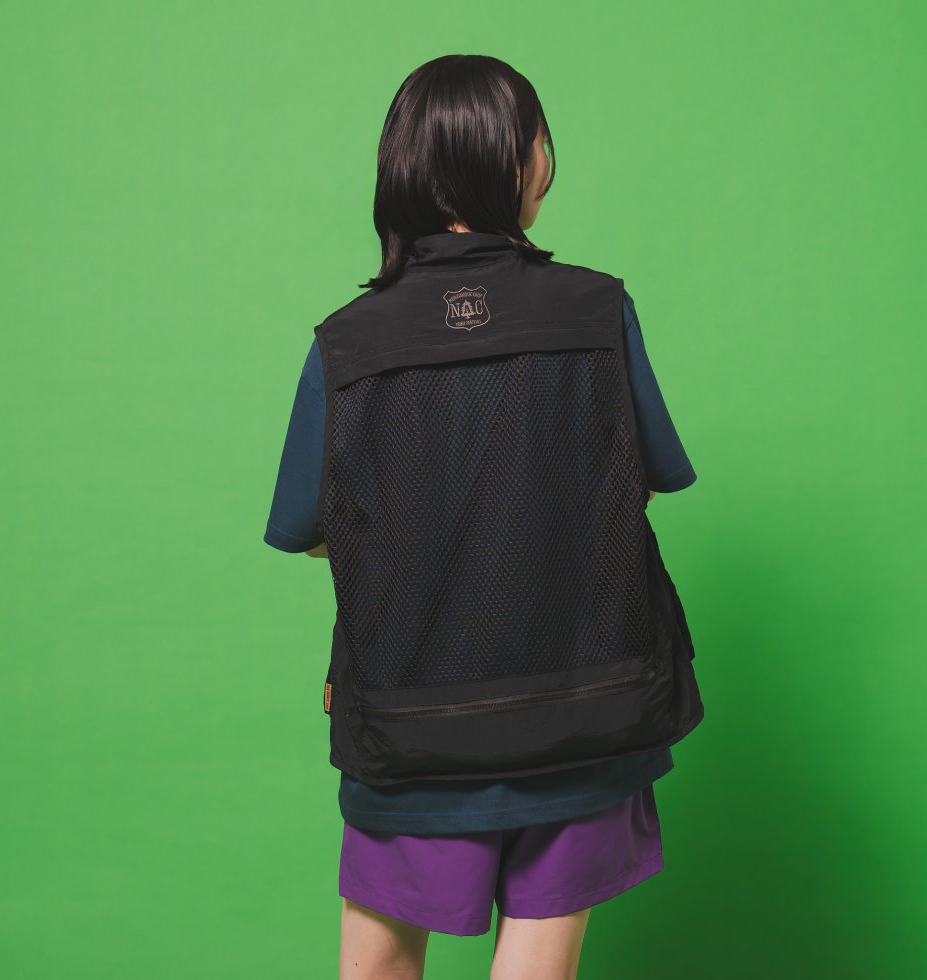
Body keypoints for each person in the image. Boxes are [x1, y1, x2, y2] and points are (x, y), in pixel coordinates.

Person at [262, 54, 698, 980]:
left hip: (409, 722)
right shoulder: (597, 310)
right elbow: (650, 478)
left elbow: (309, 529)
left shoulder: (346, 343)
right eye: (539, 141)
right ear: (513, 159)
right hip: (588, 708)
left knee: (378, 968)